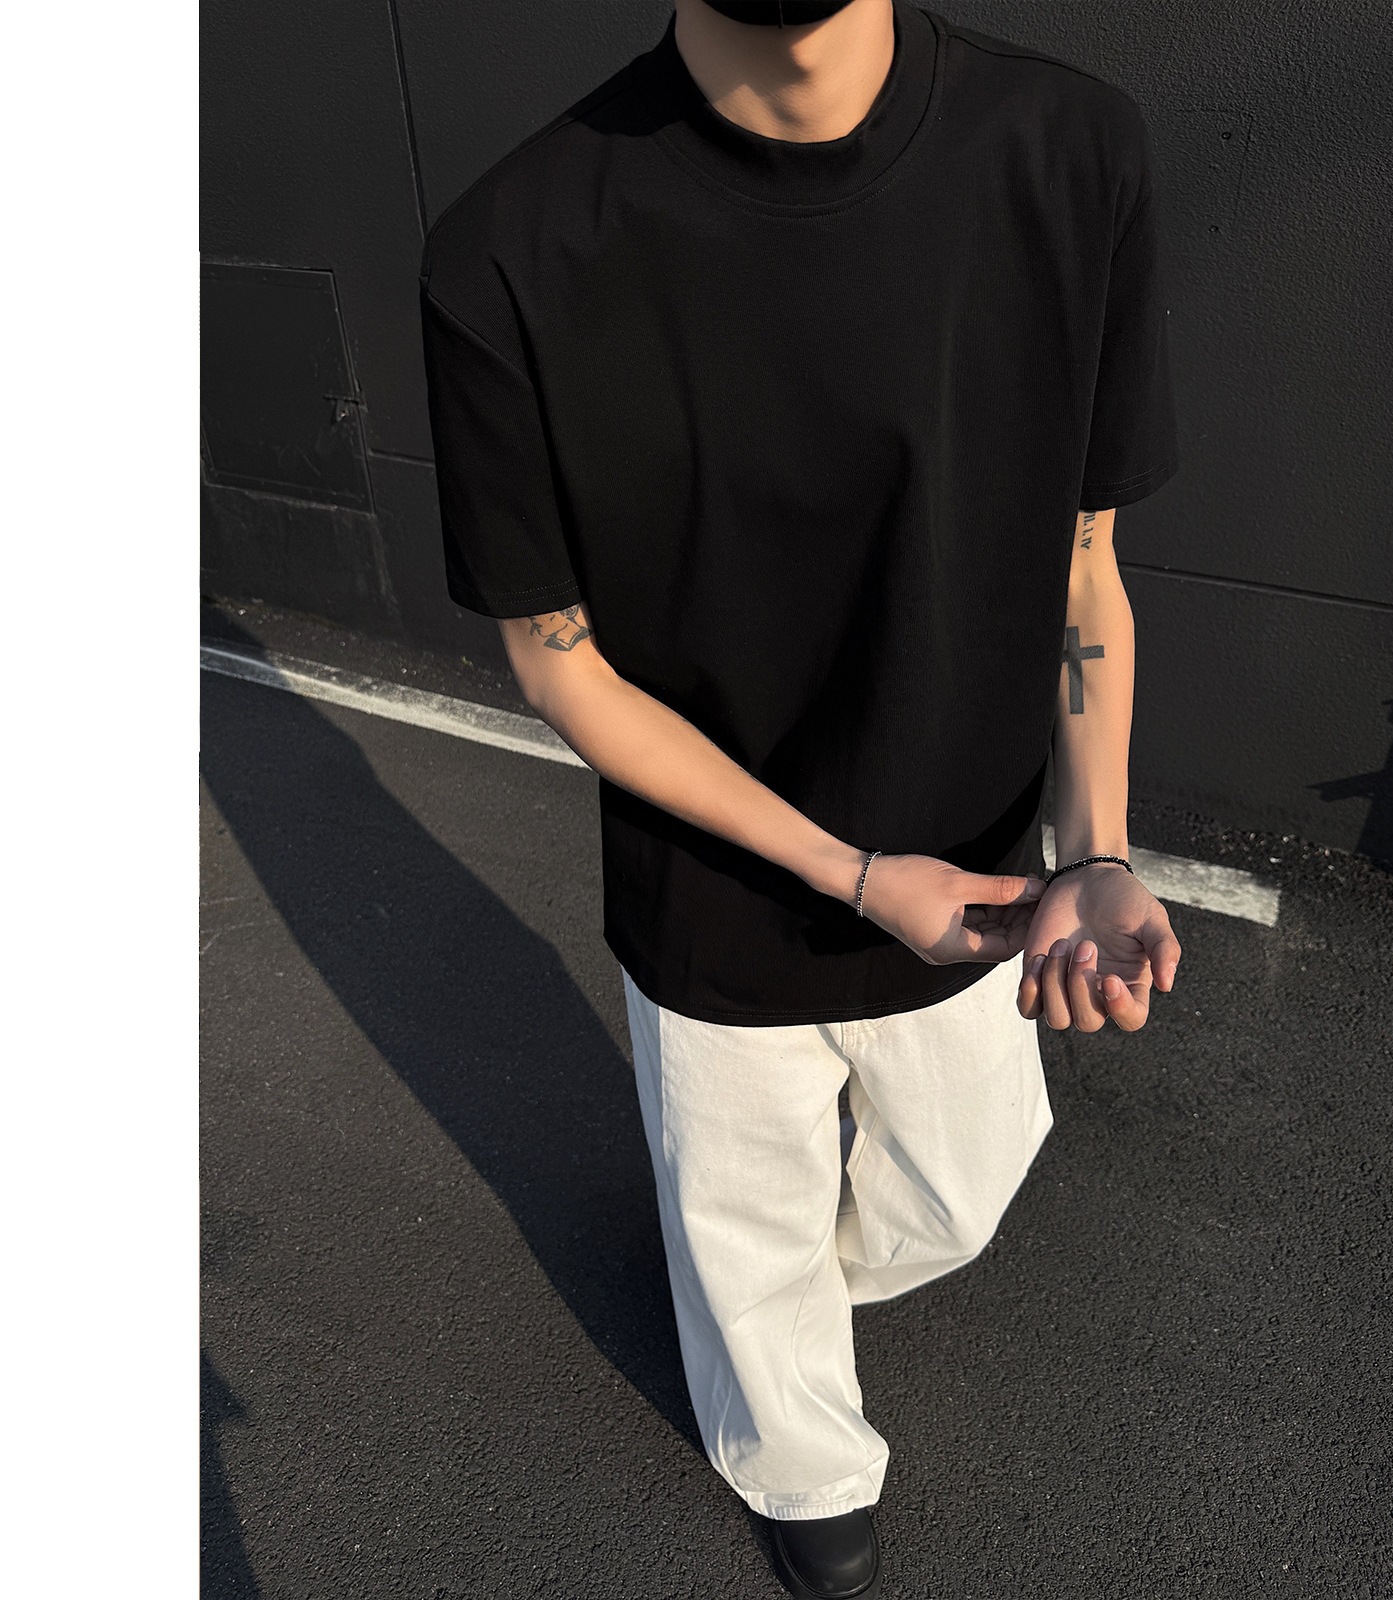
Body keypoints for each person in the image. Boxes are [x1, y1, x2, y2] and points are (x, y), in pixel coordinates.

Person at [419, 1, 1183, 1593]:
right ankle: (794, 1448)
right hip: (714, 892)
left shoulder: (1065, 154)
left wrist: (1098, 851)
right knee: (746, 1233)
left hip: (981, 881)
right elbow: (560, 666)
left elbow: (1084, 569)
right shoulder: (515, 248)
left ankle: (745, 1289)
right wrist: (848, 872)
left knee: (956, 1201)